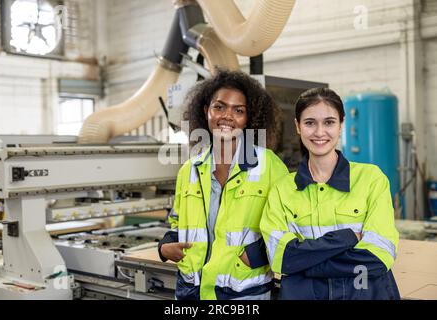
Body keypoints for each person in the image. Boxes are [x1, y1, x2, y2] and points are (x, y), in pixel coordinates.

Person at [158, 69, 289, 300]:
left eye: (238, 110)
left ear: (249, 118)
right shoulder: (189, 169)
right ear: (206, 110)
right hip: (191, 290)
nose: (227, 116)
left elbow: (288, 225)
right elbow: (177, 220)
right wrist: (166, 245)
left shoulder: (269, 165)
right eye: (219, 107)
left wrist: (253, 256)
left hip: (243, 292)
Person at [260, 87, 400, 300]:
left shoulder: (371, 179)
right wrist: (346, 238)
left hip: (364, 293)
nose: (319, 132)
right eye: (309, 123)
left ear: (342, 124)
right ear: (298, 126)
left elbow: (378, 258)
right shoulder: (282, 189)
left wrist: (306, 264)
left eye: (329, 122)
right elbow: (282, 258)